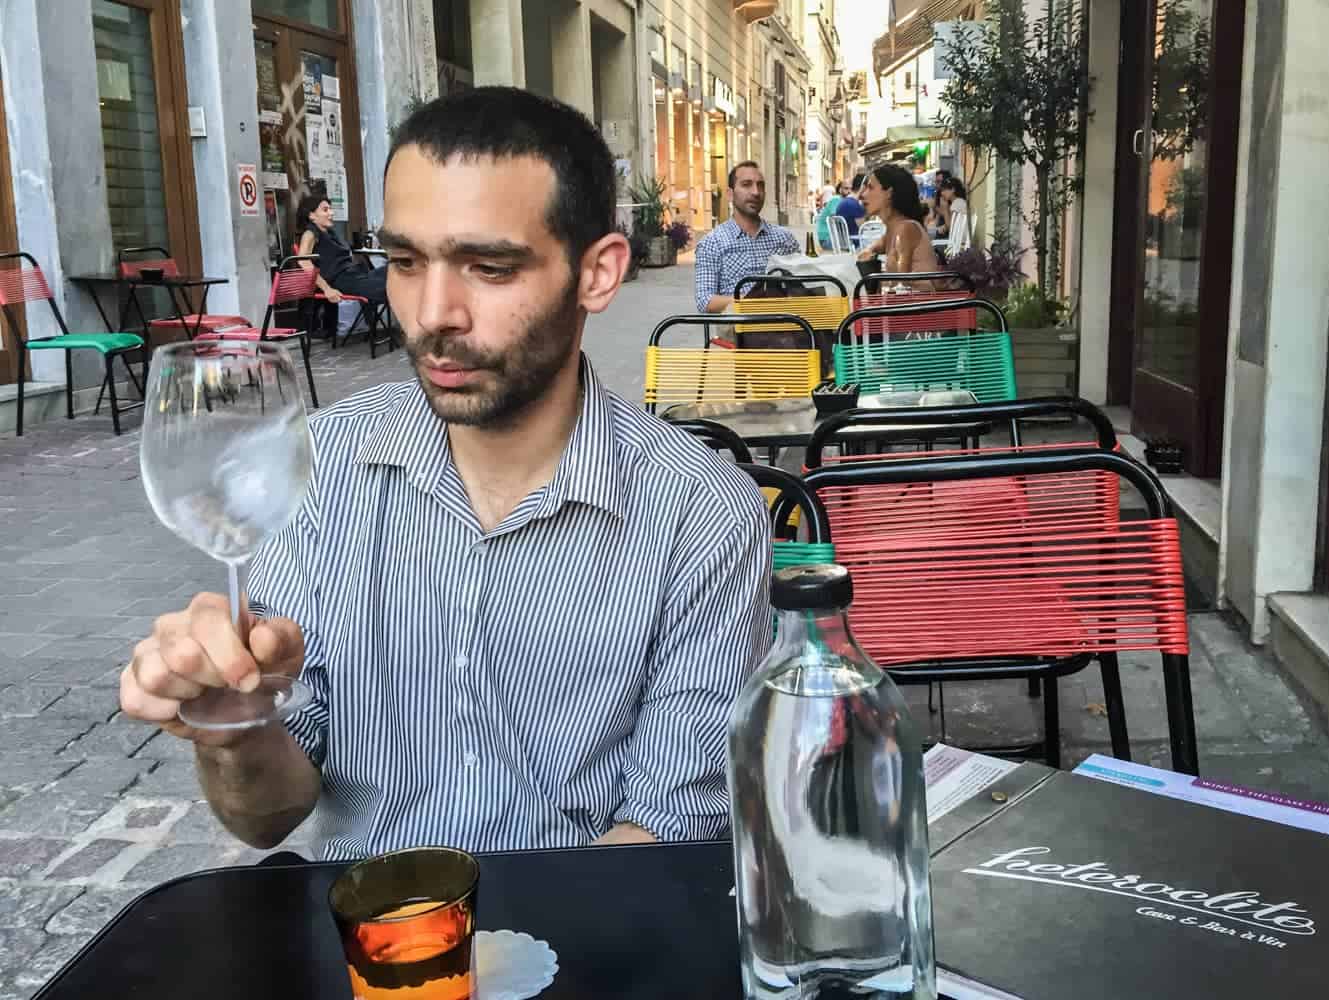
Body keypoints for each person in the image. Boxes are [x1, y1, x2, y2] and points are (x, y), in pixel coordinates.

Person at [119, 86, 773, 860]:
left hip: (583, 946)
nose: (433, 313)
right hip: (364, 938)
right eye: (403, 261)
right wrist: (238, 730)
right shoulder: (322, 469)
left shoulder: (703, 516)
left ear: (597, 274)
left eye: (489, 267)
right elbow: (266, 817)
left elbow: (666, 837)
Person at [693, 161, 799, 312]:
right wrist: (755, 302)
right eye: (746, 184)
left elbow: (804, 285)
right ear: (730, 194)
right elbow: (705, 301)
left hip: (787, 327)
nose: (756, 192)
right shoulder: (712, 243)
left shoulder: (784, 239)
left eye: (760, 185)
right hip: (737, 330)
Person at [295, 196, 387, 306]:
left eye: (330, 209)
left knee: (397, 269)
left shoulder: (330, 233)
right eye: (325, 210)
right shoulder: (310, 233)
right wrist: (327, 289)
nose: (331, 213)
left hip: (357, 275)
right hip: (345, 281)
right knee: (398, 285)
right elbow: (303, 261)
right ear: (311, 215)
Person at [857, 163, 941, 276]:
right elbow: (882, 242)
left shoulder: (905, 229)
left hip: (918, 293)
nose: (862, 194)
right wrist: (870, 250)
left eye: (870, 187)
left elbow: (900, 283)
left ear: (889, 194)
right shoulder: (895, 227)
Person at [936, 177, 970, 243]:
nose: (942, 193)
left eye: (944, 190)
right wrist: (944, 226)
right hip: (959, 241)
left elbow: (950, 228)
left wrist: (945, 209)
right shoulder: (959, 201)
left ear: (953, 189)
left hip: (959, 243)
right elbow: (952, 224)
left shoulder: (957, 203)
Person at [834, 174, 866, 239]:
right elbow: (863, 228)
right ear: (863, 187)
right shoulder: (854, 204)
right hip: (855, 243)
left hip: (845, 241)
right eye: (870, 187)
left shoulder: (845, 201)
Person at [813, 184, 840, 250]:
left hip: (826, 203)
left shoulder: (825, 188)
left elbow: (821, 196)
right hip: (828, 238)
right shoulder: (836, 199)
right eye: (846, 188)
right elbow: (834, 216)